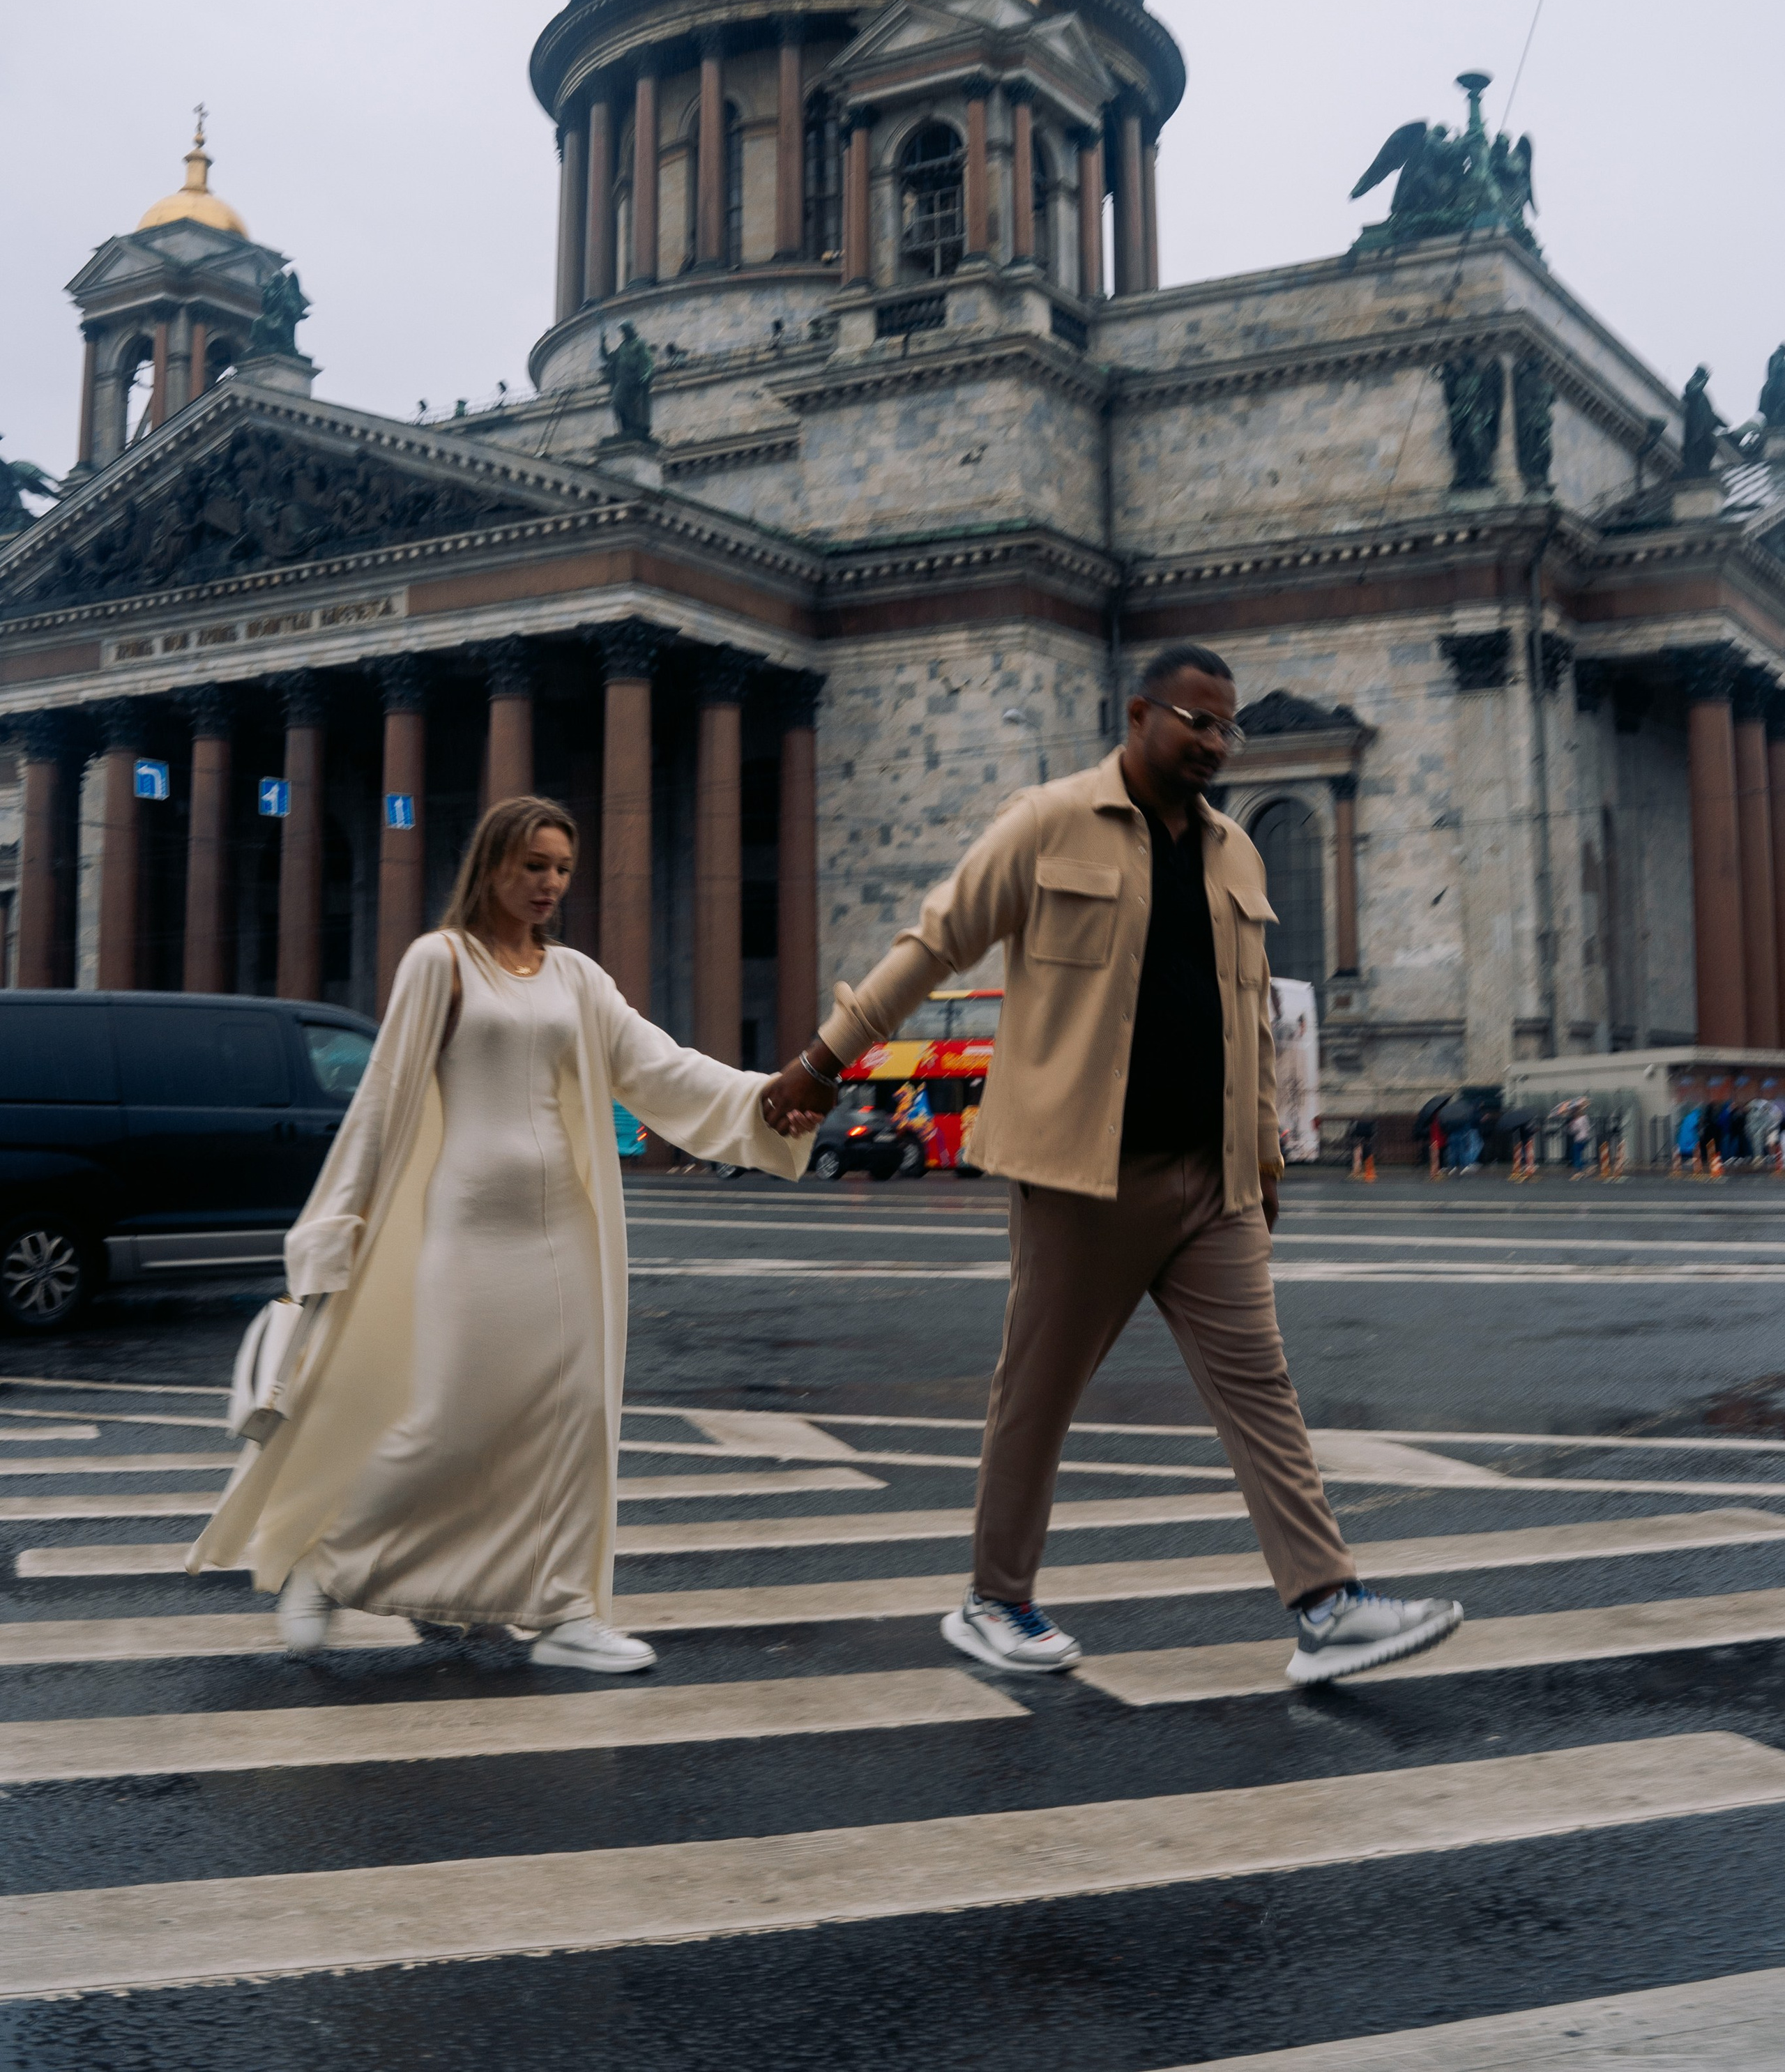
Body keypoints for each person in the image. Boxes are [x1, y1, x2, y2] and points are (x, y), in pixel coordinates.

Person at [761, 641, 1463, 1686]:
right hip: (1084, 1176)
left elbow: (1252, 1016)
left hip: (1210, 1182)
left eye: (1229, 727)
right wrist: (825, 1060)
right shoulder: (1047, 822)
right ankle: (996, 1600)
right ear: (1139, 716)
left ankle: (1326, 1604)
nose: (1216, 743)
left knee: (1262, 1387)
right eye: (1197, 721)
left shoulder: (1237, 852)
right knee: (1037, 1391)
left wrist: (1264, 1150)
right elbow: (933, 944)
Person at [192, 795, 818, 1666]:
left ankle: (565, 1615)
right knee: (443, 1422)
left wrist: (766, 1097)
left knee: (573, 1420)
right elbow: (380, 1104)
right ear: (491, 865)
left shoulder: (576, 978)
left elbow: (660, 1066)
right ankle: (325, 1566)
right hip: (466, 1227)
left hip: (564, 1227)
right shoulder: (439, 962)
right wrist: (332, 1229)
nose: (550, 884)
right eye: (534, 865)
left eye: (562, 868)